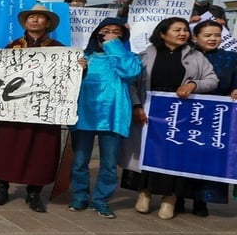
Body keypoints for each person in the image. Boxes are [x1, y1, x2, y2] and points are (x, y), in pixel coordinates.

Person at [122, 17, 218, 218]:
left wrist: (193, 85)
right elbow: (131, 83)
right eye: (177, 30)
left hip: (181, 115)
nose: (182, 33)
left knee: (174, 156)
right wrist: (136, 105)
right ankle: (144, 193)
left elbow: (212, 80)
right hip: (150, 112)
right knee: (148, 153)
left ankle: (169, 199)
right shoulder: (144, 56)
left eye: (185, 30)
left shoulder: (197, 57)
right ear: (162, 34)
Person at [0, 4, 65, 213]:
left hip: (43, 110)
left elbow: (68, 80)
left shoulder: (59, 50)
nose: (35, 20)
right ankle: (1, 188)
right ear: (26, 22)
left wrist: (80, 68)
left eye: (40, 17)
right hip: (14, 109)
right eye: (32, 17)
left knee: (41, 151)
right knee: (6, 147)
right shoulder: (12, 47)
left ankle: (34, 193)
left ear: (48, 23)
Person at [68, 17, 142, 219]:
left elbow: (130, 73)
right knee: (80, 161)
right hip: (84, 115)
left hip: (114, 116)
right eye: (106, 30)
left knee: (109, 164)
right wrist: (77, 70)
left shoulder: (130, 58)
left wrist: (113, 45)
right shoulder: (83, 56)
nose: (110, 34)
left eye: (116, 32)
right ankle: (80, 195)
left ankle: (101, 200)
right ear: (96, 33)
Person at [181, 20, 235, 216]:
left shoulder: (231, 58)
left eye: (217, 35)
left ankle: (202, 200)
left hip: (216, 117)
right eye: (208, 35)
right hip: (186, 113)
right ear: (195, 37)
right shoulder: (185, 55)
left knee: (209, 156)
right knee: (182, 153)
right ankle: (177, 196)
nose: (213, 39)